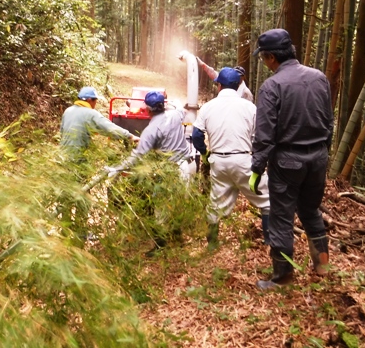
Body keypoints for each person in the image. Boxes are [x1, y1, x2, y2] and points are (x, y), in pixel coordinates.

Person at [249, 29, 334, 290]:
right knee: (311, 211)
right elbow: (329, 121)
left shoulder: (272, 86)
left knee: (282, 217)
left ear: (271, 57)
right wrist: (324, 151)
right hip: (318, 157)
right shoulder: (319, 78)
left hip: (288, 160)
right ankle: (322, 267)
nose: (264, 63)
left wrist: (256, 168)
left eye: (263, 58)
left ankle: (282, 277)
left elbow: (265, 134)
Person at [108, 91, 197, 254]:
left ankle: (161, 246)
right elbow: (183, 110)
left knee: (161, 209)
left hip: (172, 171)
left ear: (147, 109)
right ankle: (178, 239)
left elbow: (137, 155)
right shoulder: (175, 115)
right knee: (177, 204)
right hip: (188, 166)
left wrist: (117, 168)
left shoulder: (151, 130)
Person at [191, 67, 270, 250]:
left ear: (219, 85)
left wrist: (204, 154)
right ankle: (270, 243)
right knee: (267, 201)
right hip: (244, 161)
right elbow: (261, 136)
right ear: (238, 84)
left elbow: (196, 135)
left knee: (215, 203)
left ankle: (212, 245)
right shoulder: (250, 107)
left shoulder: (208, 107)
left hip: (218, 162)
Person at [60, 86, 139, 161]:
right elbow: (109, 128)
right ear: (90, 100)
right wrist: (130, 136)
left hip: (62, 155)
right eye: (95, 101)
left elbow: (62, 132)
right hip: (77, 157)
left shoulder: (68, 111)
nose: (95, 104)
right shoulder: (91, 113)